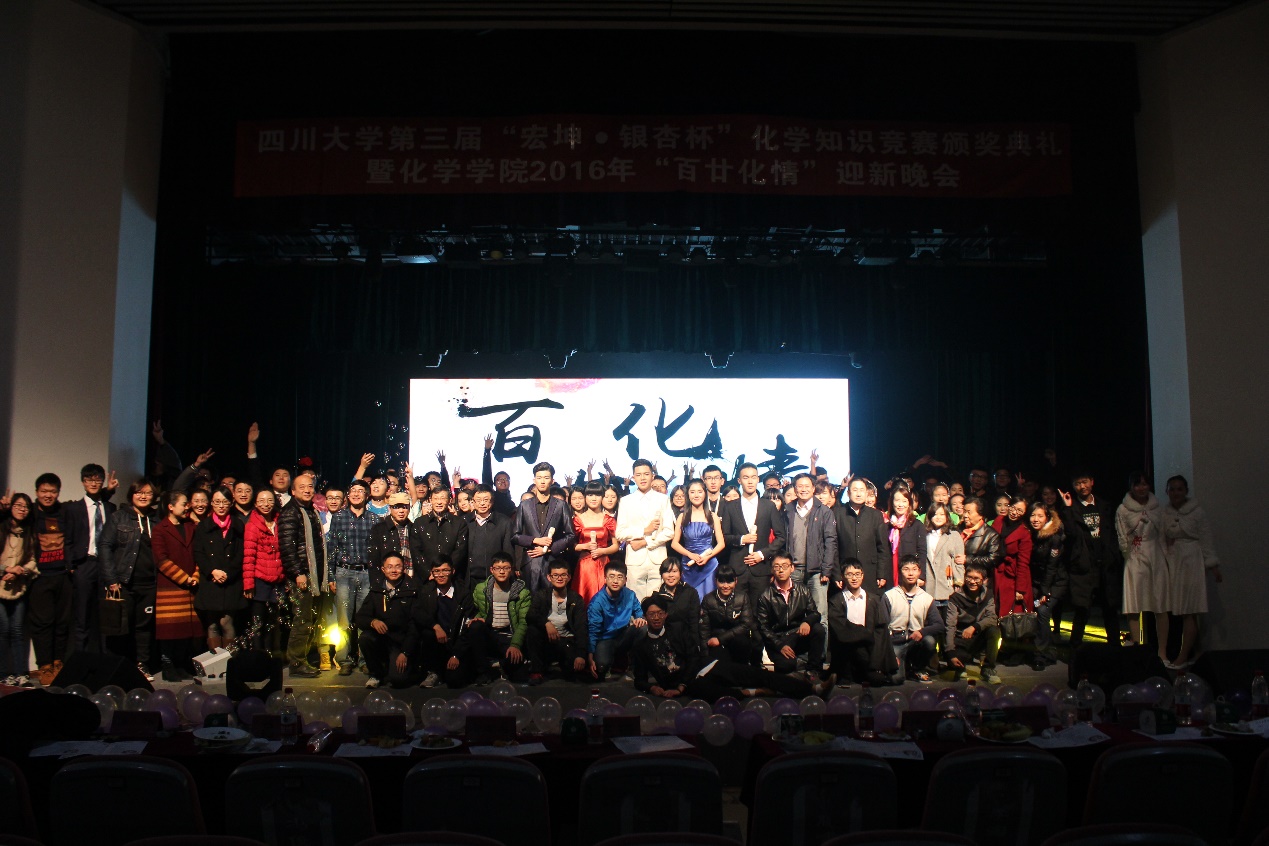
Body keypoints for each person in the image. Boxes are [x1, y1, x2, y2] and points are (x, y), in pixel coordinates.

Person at [633, 594, 826, 703]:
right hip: (690, 685)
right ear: (645, 617)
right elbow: (639, 680)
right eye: (652, 614)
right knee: (718, 695)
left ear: (666, 615)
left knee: (755, 674)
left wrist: (681, 685)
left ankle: (813, 689)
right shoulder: (641, 646)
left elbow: (693, 657)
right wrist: (652, 687)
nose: (656, 618)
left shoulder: (677, 630)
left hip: (704, 667)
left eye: (660, 613)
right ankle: (753, 693)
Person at [99, 480, 158, 682]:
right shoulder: (118, 517)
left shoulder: (156, 519)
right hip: (123, 582)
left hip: (149, 583)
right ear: (131, 495)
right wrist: (111, 578)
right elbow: (105, 546)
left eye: (147, 493)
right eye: (139, 492)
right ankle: (117, 667)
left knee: (144, 628)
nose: (143, 496)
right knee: (120, 627)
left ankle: (142, 666)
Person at [1057, 469, 1124, 647]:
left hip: (1105, 565)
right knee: (1082, 610)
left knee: (1110, 609)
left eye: (1084, 481)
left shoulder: (1104, 505)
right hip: (1085, 566)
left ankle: (1115, 650)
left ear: (1092, 482)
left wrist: (1113, 556)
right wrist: (1067, 507)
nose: (1082, 486)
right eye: (1078, 483)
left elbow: (1113, 534)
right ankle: (1075, 651)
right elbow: (1071, 533)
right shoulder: (1072, 508)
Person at [1161, 475, 1220, 669]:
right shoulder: (1165, 513)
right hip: (1175, 562)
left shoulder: (1197, 512)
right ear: (1167, 491)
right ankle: (1197, 651)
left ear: (1186, 491)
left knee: (1190, 610)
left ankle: (1183, 656)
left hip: (1192, 561)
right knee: (1183, 609)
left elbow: (1206, 539)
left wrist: (1212, 565)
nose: (1175, 493)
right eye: (1172, 489)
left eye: (1179, 489)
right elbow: (1162, 539)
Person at [28, 473, 78, 684]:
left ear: (58, 492)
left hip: (63, 575)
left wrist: (107, 491)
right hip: (40, 577)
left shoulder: (64, 511)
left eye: (52, 491)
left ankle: (58, 662)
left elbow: (87, 504)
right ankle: (45, 666)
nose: (48, 495)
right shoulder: (30, 512)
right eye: (44, 491)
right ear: (37, 492)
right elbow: (12, 518)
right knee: (42, 623)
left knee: (62, 622)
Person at [784, 473, 838, 670]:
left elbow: (831, 541)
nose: (804, 489)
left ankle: (818, 660)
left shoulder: (824, 511)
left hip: (816, 572)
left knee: (820, 615)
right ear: (795, 488)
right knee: (795, 615)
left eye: (807, 486)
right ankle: (798, 658)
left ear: (814, 488)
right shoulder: (788, 510)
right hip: (793, 570)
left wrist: (827, 569)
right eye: (800, 486)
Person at [722, 463, 787, 622]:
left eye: (753, 477)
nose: (750, 481)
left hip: (761, 569)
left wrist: (762, 554)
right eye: (746, 477)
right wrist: (741, 539)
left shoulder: (768, 506)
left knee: (760, 614)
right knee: (736, 614)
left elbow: (781, 537)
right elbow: (724, 536)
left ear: (758, 479)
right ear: (739, 480)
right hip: (738, 569)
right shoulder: (730, 506)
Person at [325, 479, 376, 675]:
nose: (356, 494)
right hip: (343, 573)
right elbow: (332, 548)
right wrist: (331, 576)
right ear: (348, 495)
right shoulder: (339, 517)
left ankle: (365, 659)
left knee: (364, 619)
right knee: (344, 620)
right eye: (353, 490)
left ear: (367, 495)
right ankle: (344, 659)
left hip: (366, 573)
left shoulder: (374, 519)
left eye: (360, 491)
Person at [150, 490, 203, 682]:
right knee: (170, 630)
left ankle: (181, 665)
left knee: (185, 631)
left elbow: (199, 553)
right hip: (171, 586)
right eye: (184, 504)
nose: (188, 507)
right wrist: (184, 578)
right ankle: (168, 666)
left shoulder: (191, 526)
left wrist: (195, 575)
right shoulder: (160, 529)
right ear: (171, 507)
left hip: (190, 587)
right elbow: (161, 560)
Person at [278, 473, 326, 678]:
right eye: (302, 487)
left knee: (310, 619)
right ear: (293, 491)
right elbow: (287, 548)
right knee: (302, 620)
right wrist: (298, 573)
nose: (307, 490)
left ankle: (304, 658)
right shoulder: (291, 512)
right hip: (302, 576)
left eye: (310, 487)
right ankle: (297, 662)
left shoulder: (310, 510)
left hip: (313, 574)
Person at [65, 464, 117, 653]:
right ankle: (81, 658)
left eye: (97, 480)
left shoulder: (110, 508)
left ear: (102, 482)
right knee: (82, 615)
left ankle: (106, 658)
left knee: (106, 615)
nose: (93, 483)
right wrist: (72, 566)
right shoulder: (74, 509)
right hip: (84, 564)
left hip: (106, 566)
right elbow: (68, 539)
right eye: (89, 480)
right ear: (83, 482)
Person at [1116, 472, 1168, 652]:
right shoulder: (1123, 509)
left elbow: (1163, 534)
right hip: (1134, 558)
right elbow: (1122, 537)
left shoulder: (1157, 508)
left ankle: (1162, 652)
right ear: (1131, 487)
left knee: (1160, 606)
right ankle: (1138, 650)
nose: (1141, 488)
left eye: (1145, 484)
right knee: (1133, 605)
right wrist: (1129, 554)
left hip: (1156, 557)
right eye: (1137, 484)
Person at [461, 552, 531, 684]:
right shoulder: (481, 589)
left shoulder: (522, 592)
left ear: (511, 570)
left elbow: (523, 622)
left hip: (509, 636)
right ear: (492, 570)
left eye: (506, 568)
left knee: (520, 676)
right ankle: (483, 672)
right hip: (490, 634)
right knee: (475, 627)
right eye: (498, 568)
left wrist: (515, 645)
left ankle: (500, 666)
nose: (502, 572)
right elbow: (477, 610)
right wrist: (477, 617)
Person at [192, 486, 247, 653]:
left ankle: (230, 661)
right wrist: (212, 571)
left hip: (231, 581)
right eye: (217, 502)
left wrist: (228, 573)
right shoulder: (203, 526)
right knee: (212, 624)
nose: (221, 506)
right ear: (211, 503)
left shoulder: (238, 525)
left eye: (224, 502)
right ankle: (215, 662)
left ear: (231, 503)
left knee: (226, 622)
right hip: (210, 581)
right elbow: (198, 553)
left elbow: (241, 553)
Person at [355, 554, 420, 689]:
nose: (393, 570)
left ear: (404, 568)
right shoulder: (377, 590)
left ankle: (407, 668)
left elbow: (415, 625)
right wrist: (373, 622)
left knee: (398, 681)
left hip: (401, 643)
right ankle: (376, 674)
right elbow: (360, 617)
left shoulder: (412, 590)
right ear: (383, 569)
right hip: (382, 640)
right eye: (389, 567)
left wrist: (405, 652)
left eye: (397, 567)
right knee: (365, 638)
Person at [615, 459, 676, 600]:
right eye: (638, 475)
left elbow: (669, 531)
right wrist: (644, 530)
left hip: (658, 559)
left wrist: (645, 542)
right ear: (633, 477)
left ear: (652, 476)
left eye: (646, 474)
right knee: (634, 602)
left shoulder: (663, 499)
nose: (642, 478)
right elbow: (620, 533)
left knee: (658, 603)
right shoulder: (626, 501)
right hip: (635, 559)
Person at [756, 553, 824, 678]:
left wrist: (807, 622)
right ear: (772, 570)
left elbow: (814, 613)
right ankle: (796, 665)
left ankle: (813, 670)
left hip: (797, 635)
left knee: (818, 629)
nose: (781, 570)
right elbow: (763, 627)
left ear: (792, 568)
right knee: (786, 667)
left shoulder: (803, 590)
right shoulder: (765, 596)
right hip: (777, 639)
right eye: (777, 567)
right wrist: (779, 645)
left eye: (785, 566)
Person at [826, 559, 892, 687]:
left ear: (862, 575)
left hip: (867, 650)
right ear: (842, 576)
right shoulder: (836, 600)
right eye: (849, 574)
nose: (854, 578)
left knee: (878, 680)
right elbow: (841, 631)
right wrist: (866, 633)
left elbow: (880, 631)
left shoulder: (874, 600)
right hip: (845, 652)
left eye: (857, 574)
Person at [413, 556, 474, 689]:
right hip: (436, 645)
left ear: (452, 571)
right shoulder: (426, 591)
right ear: (432, 573)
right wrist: (435, 626)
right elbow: (417, 613)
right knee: (427, 632)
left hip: (457, 644)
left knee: (454, 681)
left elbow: (467, 627)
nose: (441, 575)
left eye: (445, 570)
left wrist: (456, 654)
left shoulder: (463, 593)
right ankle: (433, 672)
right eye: (437, 571)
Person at [513, 462, 575, 592]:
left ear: (552, 481)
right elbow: (515, 536)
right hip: (530, 563)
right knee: (530, 601)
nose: (542, 481)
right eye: (539, 477)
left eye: (546, 478)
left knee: (553, 600)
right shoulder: (524, 505)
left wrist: (549, 549)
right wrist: (535, 540)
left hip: (553, 563)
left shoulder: (561, 505)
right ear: (534, 480)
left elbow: (571, 535)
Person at [525, 560, 588, 684]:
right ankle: (536, 671)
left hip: (566, 641)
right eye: (555, 575)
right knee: (532, 631)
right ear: (549, 577)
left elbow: (581, 628)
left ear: (569, 577)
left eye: (563, 575)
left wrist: (581, 655)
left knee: (574, 674)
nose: (559, 578)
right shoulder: (542, 595)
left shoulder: (576, 599)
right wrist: (547, 623)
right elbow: (530, 615)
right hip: (547, 640)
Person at [884, 556, 945, 682]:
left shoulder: (926, 598)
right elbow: (882, 625)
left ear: (919, 572)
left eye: (914, 569)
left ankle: (917, 668)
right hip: (895, 641)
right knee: (896, 679)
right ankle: (903, 666)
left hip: (915, 640)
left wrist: (921, 632)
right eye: (906, 569)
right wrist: (889, 649)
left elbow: (939, 625)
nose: (910, 573)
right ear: (900, 572)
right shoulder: (889, 596)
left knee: (929, 641)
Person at [0, 494, 38, 686]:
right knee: (3, 630)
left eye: (26, 507)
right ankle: (4, 673)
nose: (22, 509)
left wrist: (20, 571)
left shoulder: (28, 533)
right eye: (18, 505)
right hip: (0, 587)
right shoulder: (2, 529)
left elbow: (32, 559)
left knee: (17, 630)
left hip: (18, 587)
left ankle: (21, 673)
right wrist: (6, 570)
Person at [242, 488, 285, 657]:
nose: (265, 504)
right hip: (260, 580)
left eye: (269, 500)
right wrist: (248, 584)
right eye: (261, 501)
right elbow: (248, 556)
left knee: (273, 622)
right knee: (258, 622)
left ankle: (271, 656)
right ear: (255, 503)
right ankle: (257, 657)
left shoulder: (280, 522)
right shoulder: (252, 525)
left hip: (278, 580)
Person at [587, 561, 647, 681]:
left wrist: (640, 617)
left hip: (623, 636)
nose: (615, 581)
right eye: (612, 576)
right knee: (601, 670)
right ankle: (607, 664)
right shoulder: (597, 602)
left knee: (643, 627)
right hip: (604, 639)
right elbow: (593, 631)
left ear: (625, 580)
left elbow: (638, 611)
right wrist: (590, 655)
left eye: (620, 577)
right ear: (605, 579)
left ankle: (633, 667)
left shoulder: (630, 595)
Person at [946, 564, 1001, 684]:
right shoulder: (955, 598)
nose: (972, 581)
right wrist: (950, 652)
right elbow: (950, 626)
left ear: (984, 580)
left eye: (976, 578)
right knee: (956, 660)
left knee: (994, 631)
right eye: (969, 577)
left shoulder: (988, 595)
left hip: (979, 635)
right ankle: (960, 666)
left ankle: (988, 669)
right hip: (962, 638)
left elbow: (992, 618)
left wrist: (974, 627)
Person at [1028, 501, 1067, 669]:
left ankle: (1041, 655)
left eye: (1040, 516)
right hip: (1037, 582)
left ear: (1047, 518)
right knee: (1033, 611)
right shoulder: (1031, 533)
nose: (1035, 519)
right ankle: (1049, 651)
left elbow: (1052, 567)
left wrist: (1044, 592)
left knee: (1043, 611)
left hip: (1055, 583)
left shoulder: (1055, 536)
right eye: (1032, 515)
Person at [670, 479, 725, 597]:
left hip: (709, 564)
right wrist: (690, 554)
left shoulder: (712, 516)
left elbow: (721, 543)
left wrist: (707, 557)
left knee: (708, 599)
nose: (696, 495)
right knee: (690, 599)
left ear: (705, 493)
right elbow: (674, 543)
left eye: (700, 491)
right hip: (689, 565)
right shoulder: (682, 516)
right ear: (688, 495)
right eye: (692, 492)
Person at [834, 478, 889, 594]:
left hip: (870, 572)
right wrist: (836, 574)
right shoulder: (838, 514)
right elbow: (833, 547)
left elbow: (882, 547)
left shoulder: (876, 515)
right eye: (855, 490)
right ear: (848, 493)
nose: (858, 494)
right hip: (845, 573)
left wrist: (882, 573)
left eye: (862, 490)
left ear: (866, 493)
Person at [698, 565, 757, 665]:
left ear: (736, 581)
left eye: (729, 582)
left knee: (742, 644)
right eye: (722, 582)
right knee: (720, 664)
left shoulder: (742, 597)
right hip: (715, 641)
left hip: (737, 639)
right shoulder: (708, 599)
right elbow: (704, 629)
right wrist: (705, 657)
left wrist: (721, 639)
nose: (725, 586)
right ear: (716, 581)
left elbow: (746, 625)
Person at [572, 480, 618, 603]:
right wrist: (585, 546)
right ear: (585, 497)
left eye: (597, 495)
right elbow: (572, 546)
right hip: (584, 567)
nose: (594, 498)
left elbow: (615, 546)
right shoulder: (577, 520)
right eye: (590, 495)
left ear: (602, 497)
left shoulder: (609, 520)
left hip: (604, 564)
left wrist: (602, 551)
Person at [991, 494, 1034, 619]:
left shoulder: (1024, 532)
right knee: (995, 607)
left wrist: (1020, 589)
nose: (1015, 513)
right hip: (997, 570)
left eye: (1020, 511)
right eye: (1013, 508)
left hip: (1013, 576)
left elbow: (1023, 562)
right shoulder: (999, 520)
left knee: (1010, 613)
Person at [924, 502, 964, 635]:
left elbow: (959, 561)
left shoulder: (954, 535)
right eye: (935, 514)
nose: (938, 517)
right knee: (932, 625)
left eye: (942, 514)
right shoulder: (925, 534)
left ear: (947, 516)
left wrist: (959, 581)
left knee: (948, 625)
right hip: (929, 585)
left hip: (948, 585)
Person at [466, 485, 514, 591]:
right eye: (478, 500)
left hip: (494, 578)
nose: (482, 503)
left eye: (486, 500)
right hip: (468, 578)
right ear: (472, 502)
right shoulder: (464, 521)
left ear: (492, 502)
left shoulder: (504, 522)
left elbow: (508, 551)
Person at [415, 487, 469, 576]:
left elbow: (460, 551)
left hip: (452, 576)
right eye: (436, 498)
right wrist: (428, 573)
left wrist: (447, 570)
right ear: (430, 500)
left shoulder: (459, 523)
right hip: (427, 577)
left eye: (443, 498)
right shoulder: (419, 522)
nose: (439, 502)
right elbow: (416, 551)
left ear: (450, 500)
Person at [369, 491, 423, 574]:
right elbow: (374, 559)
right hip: (386, 577)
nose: (401, 511)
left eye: (404, 507)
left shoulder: (415, 528)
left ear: (409, 508)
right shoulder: (379, 529)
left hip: (411, 576)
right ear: (389, 508)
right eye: (396, 507)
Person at [884, 487, 927, 589]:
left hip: (910, 573)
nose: (900, 504)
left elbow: (922, 552)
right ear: (892, 503)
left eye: (904, 501)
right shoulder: (887, 526)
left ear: (909, 504)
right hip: (891, 571)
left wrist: (921, 576)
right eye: (897, 500)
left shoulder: (917, 525)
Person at [651, 559, 700, 640]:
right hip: (665, 640)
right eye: (667, 572)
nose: (671, 575)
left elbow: (694, 621)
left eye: (674, 571)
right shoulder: (657, 596)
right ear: (661, 575)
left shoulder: (691, 592)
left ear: (681, 573)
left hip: (687, 640)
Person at [961, 498, 1004, 576]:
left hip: (977, 577)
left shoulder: (991, 535)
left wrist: (967, 559)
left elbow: (993, 559)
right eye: (964, 511)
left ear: (980, 515)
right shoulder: (958, 529)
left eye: (969, 512)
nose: (965, 515)